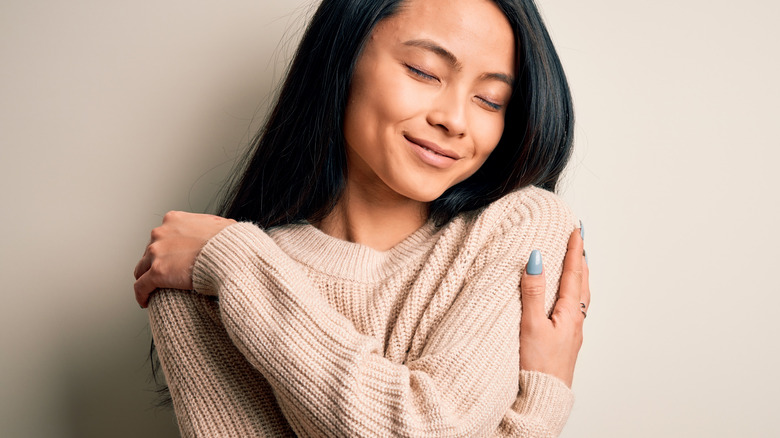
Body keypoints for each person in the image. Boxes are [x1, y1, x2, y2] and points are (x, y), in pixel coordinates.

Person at [133, 0, 590, 436]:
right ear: (342, 57)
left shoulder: (520, 222)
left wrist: (238, 268)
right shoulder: (199, 273)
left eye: (490, 100)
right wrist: (535, 412)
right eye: (423, 71)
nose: (455, 120)